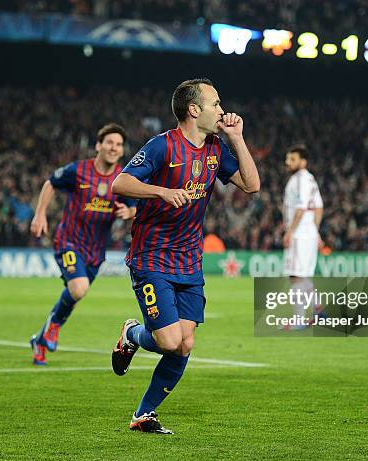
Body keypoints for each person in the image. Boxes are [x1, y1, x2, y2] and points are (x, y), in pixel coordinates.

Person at [110, 78, 260, 434]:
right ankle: (132, 334)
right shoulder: (161, 147)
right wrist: (161, 191)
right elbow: (120, 184)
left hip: (189, 260)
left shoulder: (216, 148)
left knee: (185, 343)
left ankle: (143, 414)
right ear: (194, 110)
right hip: (152, 258)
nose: (222, 110)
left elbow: (252, 185)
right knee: (168, 340)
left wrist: (238, 139)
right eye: (215, 104)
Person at [29, 123, 136, 365]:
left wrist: (128, 213)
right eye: (109, 142)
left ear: (121, 151)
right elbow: (50, 183)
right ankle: (52, 328)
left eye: (118, 145)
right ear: (98, 145)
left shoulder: (123, 178)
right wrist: (40, 213)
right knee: (78, 288)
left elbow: (134, 207)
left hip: (96, 252)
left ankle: (42, 338)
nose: (114, 147)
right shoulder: (79, 171)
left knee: (76, 294)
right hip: (69, 241)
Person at [282, 144, 324, 324]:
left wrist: (290, 232)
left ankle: (298, 320)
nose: (287, 162)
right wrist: (316, 231)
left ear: (303, 162)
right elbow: (319, 207)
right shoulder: (310, 179)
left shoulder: (299, 179)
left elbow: (300, 208)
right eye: (287, 159)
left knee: (296, 275)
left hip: (300, 234)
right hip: (308, 233)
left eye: (292, 159)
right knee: (303, 274)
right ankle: (318, 311)